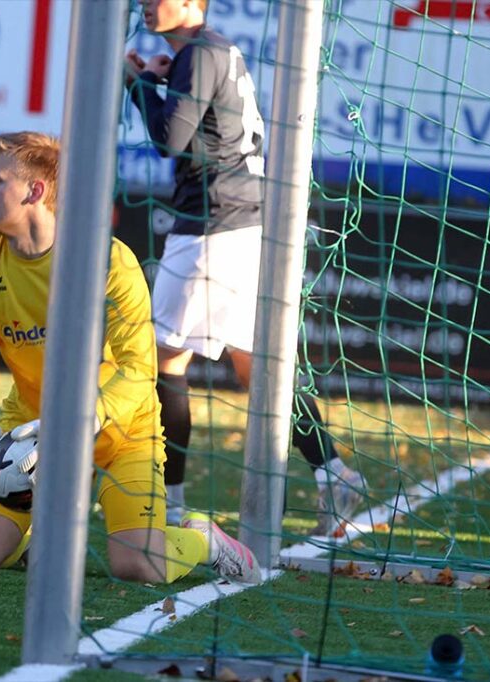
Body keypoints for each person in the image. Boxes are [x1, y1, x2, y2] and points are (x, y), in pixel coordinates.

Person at [0, 131, 262, 584]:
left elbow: (139, 368)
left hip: (123, 431)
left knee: (137, 567)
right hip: (32, 435)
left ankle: (203, 539)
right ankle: (37, 538)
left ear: (35, 191)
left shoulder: (109, 261)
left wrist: (80, 424)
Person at [124, 0, 366, 535]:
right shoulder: (214, 50)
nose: (145, 3)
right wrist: (161, 82)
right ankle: (333, 473)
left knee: (165, 360)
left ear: (191, 5)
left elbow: (170, 140)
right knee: (255, 363)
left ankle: (171, 507)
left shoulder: (199, 54)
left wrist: (136, 83)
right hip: (247, 220)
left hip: (213, 223)